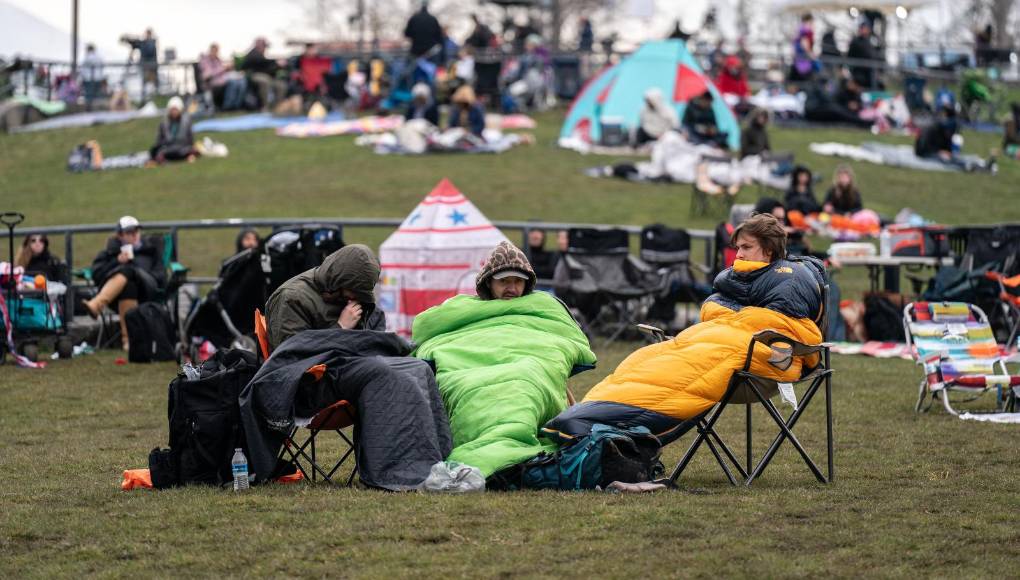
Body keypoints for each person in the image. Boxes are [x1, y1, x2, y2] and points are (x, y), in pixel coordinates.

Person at [546, 213, 825, 443]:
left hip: (756, 363)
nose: (737, 254)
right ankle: (589, 409)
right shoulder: (735, 280)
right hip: (714, 338)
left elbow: (787, 330)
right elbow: (717, 311)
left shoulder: (791, 278)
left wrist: (764, 338)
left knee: (686, 374)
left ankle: (600, 423)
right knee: (647, 358)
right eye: (737, 247)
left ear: (769, 250)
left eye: (746, 247)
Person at [411, 240, 596, 477]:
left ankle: (497, 450)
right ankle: (502, 449)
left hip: (530, 363)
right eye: (504, 281)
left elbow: (566, 337)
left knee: (526, 379)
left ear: (527, 283)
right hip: (468, 367)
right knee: (467, 386)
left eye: (518, 281)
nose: (512, 288)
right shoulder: (462, 311)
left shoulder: (542, 307)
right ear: (489, 282)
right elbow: (429, 331)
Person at [264, 244, 384, 352]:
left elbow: (376, 333)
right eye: (354, 290)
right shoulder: (292, 298)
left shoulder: (351, 297)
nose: (356, 297)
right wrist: (340, 328)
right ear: (340, 281)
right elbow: (292, 355)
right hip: (313, 374)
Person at [83, 216, 167, 351]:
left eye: (136, 231)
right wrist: (116, 261)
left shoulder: (150, 251)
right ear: (120, 235)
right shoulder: (111, 253)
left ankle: (96, 304)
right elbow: (96, 275)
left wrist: (141, 274)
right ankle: (129, 342)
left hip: (147, 292)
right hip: (116, 298)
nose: (134, 235)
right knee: (129, 285)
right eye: (129, 232)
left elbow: (161, 277)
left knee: (129, 270)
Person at [240, 37, 288, 110]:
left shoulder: (263, 55)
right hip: (253, 76)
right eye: (263, 45)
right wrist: (276, 61)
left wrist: (279, 66)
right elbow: (260, 61)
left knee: (281, 85)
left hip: (267, 76)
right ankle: (265, 106)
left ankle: (277, 107)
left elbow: (269, 69)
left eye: (265, 46)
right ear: (257, 45)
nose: (264, 48)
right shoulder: (253, 53)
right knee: (265, 81)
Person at [199, 43, 247, 111]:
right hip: (212, 83)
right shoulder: (205, 60)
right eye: (214, 50)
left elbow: (224, 71)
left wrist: (231, 70)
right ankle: (228, 106)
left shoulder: (218, 59)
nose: (215, 52)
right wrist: (223, 69)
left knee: (242, 81)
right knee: (233, 82)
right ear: (210, 50)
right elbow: (208, 75)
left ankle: (237, 105)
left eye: (217, 51)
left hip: (223, 79)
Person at [149, 96, 197, 164]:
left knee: (192, 151)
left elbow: (190, 138)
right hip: (168, 148)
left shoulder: (186, 121)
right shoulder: (164, 122)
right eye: (172, 109)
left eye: (176, 109)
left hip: (183, 148)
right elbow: (159, 140)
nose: (174, 112)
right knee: (155, 151)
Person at [122, 28, 158, 98]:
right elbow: (136, 44)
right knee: (144, 85)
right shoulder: (144, 43)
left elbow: (148, 51)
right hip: (144, 68)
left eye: (148, 34)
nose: (147, 35)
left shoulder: (150, 43)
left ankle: (149, 98)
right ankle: (144, 99)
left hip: (150, 69)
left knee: (151, 86)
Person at [847, 21, 880, 89]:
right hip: (859, 71)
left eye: (866, 29)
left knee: (879, 85)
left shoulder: (871, 41)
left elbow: (874, 55)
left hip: (870, 71)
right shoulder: (855, 41)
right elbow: (850, 55)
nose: (864, 30)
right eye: (863, 28)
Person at [790, 13, 816, 81]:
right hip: (804, 60)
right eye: (811, 22)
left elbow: (793, 45)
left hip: (798, 59)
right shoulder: (805, 30)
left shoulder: (799, 30)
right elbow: (804, 44)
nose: (812, 24)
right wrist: (811, 55)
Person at [80, 44, 104, 109]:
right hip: (98, 78)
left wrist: (82, 78)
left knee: (89, 96)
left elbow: (82, 69)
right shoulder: (99, 57)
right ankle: (98, 109)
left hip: (88, 79)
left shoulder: (86, 57)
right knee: (97, 95)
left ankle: (89, 109)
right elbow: (102, 67)